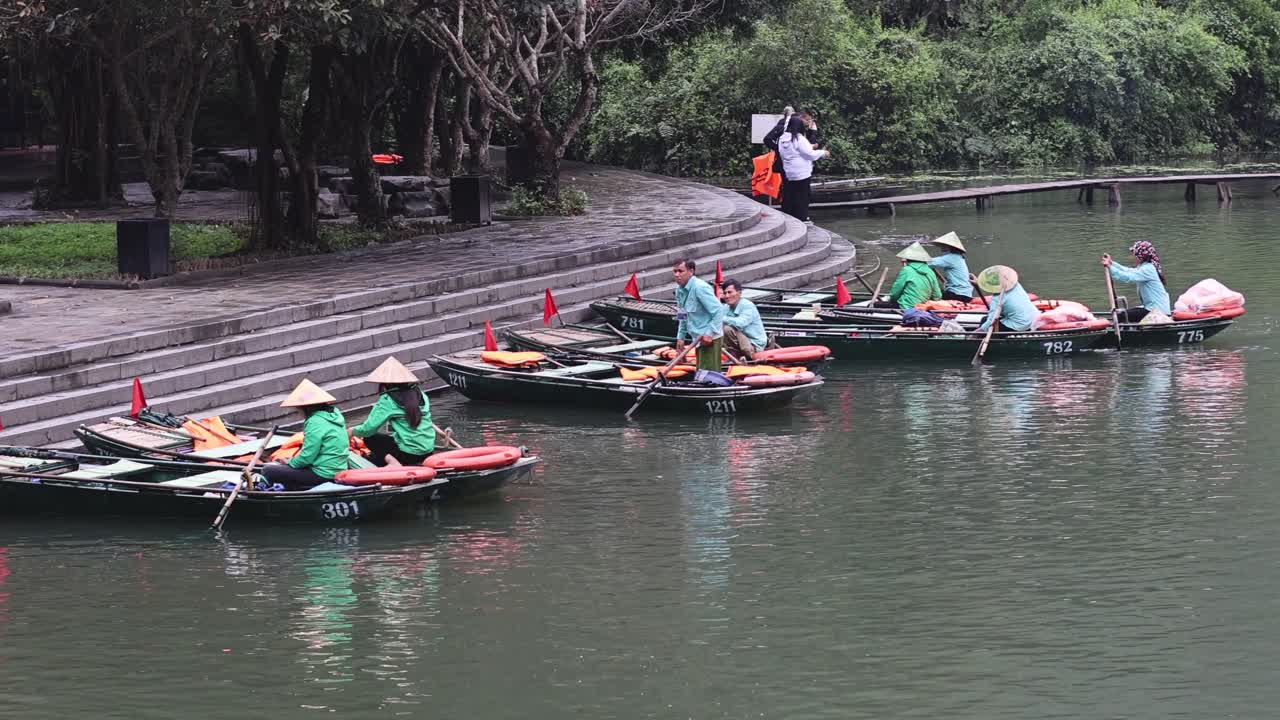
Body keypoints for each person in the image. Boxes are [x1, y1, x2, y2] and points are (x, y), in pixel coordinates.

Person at [261, 379, 351, 490]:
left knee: (267, 470)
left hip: (323, 474)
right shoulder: (335, 414)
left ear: (306, 408)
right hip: (339, 469)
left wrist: (290, 462)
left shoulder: (314, 421)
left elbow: (307, 457)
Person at [349, 356, 436, 466]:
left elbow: (368, 429)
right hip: (428, 451)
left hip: (408, 454)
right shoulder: (421, 395)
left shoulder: (388, 400)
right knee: (378, 453)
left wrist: (351, 431)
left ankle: (393, 462)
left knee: (370, 437)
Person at [672, 258, 725, 371]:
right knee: (700, 371)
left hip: (710, 338)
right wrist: (680, 337)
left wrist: (709, 334)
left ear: (691, 272)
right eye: (675, 271)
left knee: (709, 375)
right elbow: (682, 314)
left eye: (680, 271)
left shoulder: (700, 287)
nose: (677, 275)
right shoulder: (679, 291)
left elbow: (718, 311)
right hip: (696, 338)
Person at [777, 115, 829, 223]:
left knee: (791, 195)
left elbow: (798, 150)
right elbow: (810, 155)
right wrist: (823, 153)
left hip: (789, 172)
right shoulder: (799, 138)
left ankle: (791, 217)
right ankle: (802, 218)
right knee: (803, 197)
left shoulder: (782, 138)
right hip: (802, 173)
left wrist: (811, 147)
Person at [1102, 240, 1171, 322]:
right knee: (1124, 315)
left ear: (1141, 256)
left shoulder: (1148, 269)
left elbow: (1127, 277)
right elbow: (1128, 271)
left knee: (1122, 316)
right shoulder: (1145, 267)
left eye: (1135, 254)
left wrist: (1110, 267)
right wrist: (1112, 263)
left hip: (1158, 311)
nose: (1133, 257)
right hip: (1152, 308)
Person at [973, 265, 1040, 332]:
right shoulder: (1016, 285)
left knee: (985, 321)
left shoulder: (997, 299)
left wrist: (976, 333)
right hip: (1034, 319)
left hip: (1020, 325)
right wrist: (978, 283)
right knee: (985, 319)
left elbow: (991, 321)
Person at [877, 241, 942, 309]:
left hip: (907, 306)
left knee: (877, 304)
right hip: (923, 306)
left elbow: (895, 292)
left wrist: (892, 300)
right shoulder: (930, 271)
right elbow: (937, 295)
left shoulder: (906, 270)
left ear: (908, 259)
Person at [720, 278, 770, 358]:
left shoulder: (748, 306)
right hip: (740, 343)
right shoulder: (725, 308)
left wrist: (721, 318)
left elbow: (741, 323)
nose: (727, 296)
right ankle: (732, 355)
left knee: (727, 329)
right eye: (725, 293)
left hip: (754, 345)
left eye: (729, 292)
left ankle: (735, 356)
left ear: (739, 293)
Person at [927, 231, 974, 302]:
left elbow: (928, 262)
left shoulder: (951, 258)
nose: (941, 246)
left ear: (950, 247)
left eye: (943, 245)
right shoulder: (958, 257)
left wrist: (912, 259)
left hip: (958, 294)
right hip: (965, 293)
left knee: (931, 295)